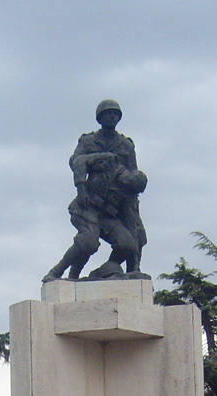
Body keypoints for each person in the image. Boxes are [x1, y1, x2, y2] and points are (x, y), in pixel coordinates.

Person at [43, 99, 149, 282]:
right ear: (100, 117)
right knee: (88, 243)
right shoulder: (89, 140)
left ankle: (107, 272)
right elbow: (76, 162)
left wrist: (132, 212)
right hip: (88, 203)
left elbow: (134, 174)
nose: (112, 116)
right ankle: (57, 273)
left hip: (110, 211)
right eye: (108, 113)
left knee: (128, 244)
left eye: (115, 114)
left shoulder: (126, 145)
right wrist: (81, 187)